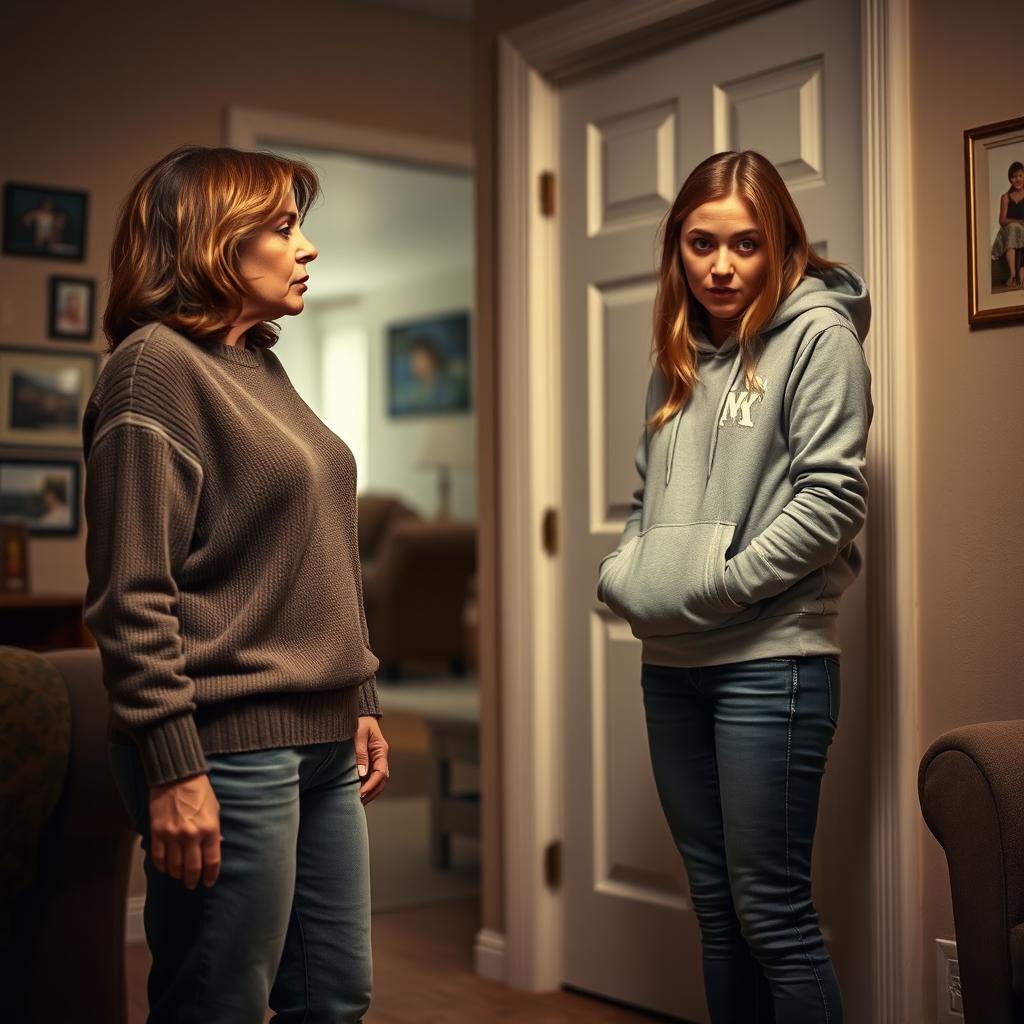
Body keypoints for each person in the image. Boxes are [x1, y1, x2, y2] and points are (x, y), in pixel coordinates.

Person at [82, 145, 389, 1024]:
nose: (308, 248)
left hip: (321, 735)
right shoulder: (153, 369)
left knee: (332, 997)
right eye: (283, 227)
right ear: (212, 239)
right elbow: (131, 596)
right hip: (225, 745)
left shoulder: (256, 363)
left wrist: (357, 696)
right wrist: (173, 767)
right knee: (215, 1001)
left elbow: (314, 549)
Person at [597, 149, 873, 1024]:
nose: (721, 266)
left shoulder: (820, 337)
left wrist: (718, 588)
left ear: (782, 245)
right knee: (716, 912)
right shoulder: (677, 355)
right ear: (676, 248)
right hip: (671, 669)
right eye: (701, 243)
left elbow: (832, 501)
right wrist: (625, 576)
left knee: (774, 918)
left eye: (745, 244)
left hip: (772, 663)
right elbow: (645, 500)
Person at [991, 160, 1024, 288]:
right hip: (1010, 232)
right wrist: (1017, 222)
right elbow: (1002, 220)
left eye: (1020, 176)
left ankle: (1021, 272)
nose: (1018, 179)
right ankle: (1013, 273)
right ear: (1010, 179)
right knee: (1012, 228)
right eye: (1014, 177)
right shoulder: (1005, 197)